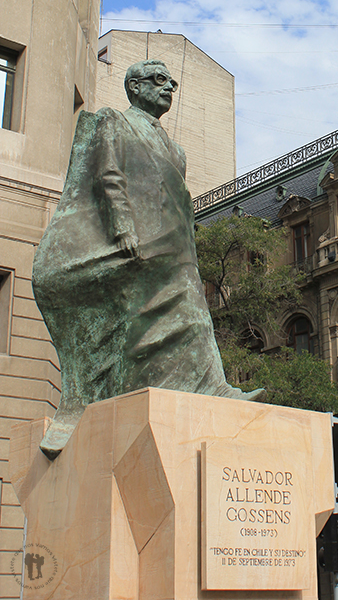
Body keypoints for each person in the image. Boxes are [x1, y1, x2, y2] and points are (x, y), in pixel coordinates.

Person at [33, 60, 260, 458]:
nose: (170, 87)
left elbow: (177, 201)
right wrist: (122, 226)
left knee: (194, 312)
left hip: (173, 247)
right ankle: (87, 398)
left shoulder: (178, 151)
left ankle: (212, 385)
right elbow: (107, 174)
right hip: (131, 241)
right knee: (151, 318)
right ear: (134, 88)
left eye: (172, 81)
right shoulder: (113, 122)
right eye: (159, 80)